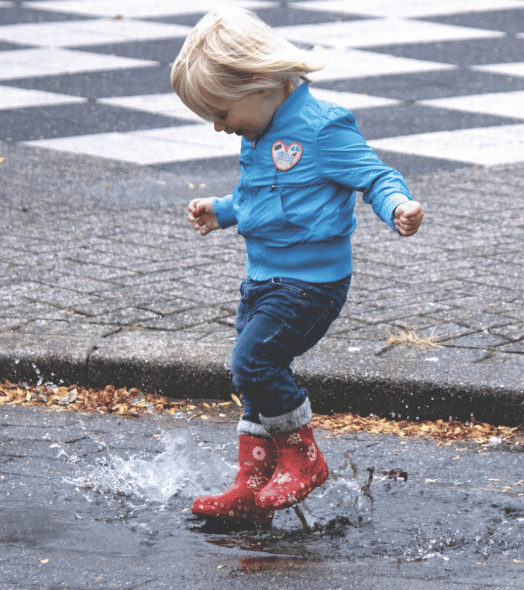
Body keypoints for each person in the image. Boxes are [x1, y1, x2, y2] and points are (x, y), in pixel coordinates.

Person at [171, 7, 423, 526]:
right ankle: (253, 480)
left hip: (311, 284)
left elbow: (375, 176)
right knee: (254, 377)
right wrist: (221, 210)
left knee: (253, 363)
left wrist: (397, 206)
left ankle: (304, 459)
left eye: (221, 112)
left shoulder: (323, 127)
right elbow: (260, 197)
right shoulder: (257, 133)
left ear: (261, 86)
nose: (219, 127)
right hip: (262, 279)